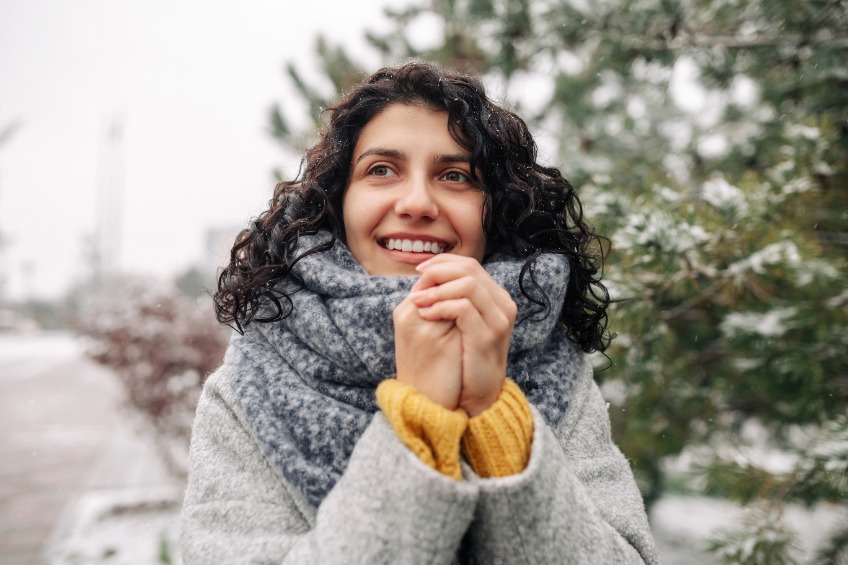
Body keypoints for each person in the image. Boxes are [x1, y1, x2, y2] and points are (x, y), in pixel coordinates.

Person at [181, 61, 660, 564]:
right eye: (381, 170)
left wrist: (497, 418)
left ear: (497, 210)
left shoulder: (558, 372)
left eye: (454, 176)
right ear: (338, 202)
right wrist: (421, 423)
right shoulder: (250, 387)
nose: (416, 202)